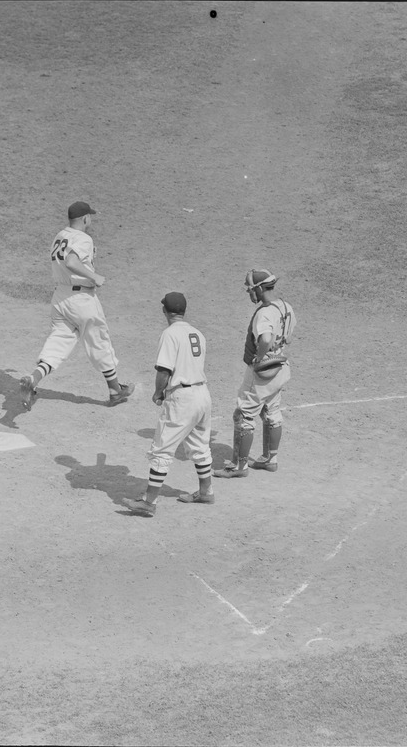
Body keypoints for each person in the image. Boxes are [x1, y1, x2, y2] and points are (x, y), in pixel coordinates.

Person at [20, 201, 135, 411]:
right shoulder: (83, 238)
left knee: (58, 343)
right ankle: (115, 391)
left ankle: (33, 379)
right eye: (90, 216)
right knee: (99, 342)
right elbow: (72, 262)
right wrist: (94, 276)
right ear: (84, 218)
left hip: (60, 299)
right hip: (81, 300)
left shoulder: (60, 236)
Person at [123, 292, 214, 517]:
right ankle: (206, 492)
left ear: (165, 310)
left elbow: (164, 369)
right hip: (203, 394)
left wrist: (158, 392)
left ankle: (149, 502)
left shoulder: (170, 333)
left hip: (182, 399)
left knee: (162, 449)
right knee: (200, 445)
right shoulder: (198, 334)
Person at [214, 269, 297, 479]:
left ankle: (239, 466)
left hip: (262, 371)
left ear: (259, 288)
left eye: (250, 289)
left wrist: (259, 358)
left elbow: (266, 338)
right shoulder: (286, 307)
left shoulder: (264, 313)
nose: (249, 293)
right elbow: (287, 337)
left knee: (244, 415)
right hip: (280, 366)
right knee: (272, 410)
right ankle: (270, 458)